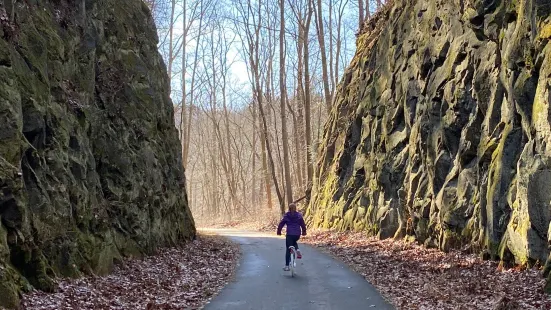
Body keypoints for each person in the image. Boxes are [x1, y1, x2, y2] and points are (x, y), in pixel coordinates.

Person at [276, 203, 307, 271]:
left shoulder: (287, 215)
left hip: (290, 234)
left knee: (288, 249)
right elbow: (303, 224)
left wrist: (279, 231)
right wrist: (304, 232)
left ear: (289, 208)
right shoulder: (299, 215)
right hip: (297, 234)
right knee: (294, 242)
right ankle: (297, 249)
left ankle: (287, 266)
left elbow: (281, 223)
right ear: (295, 208)